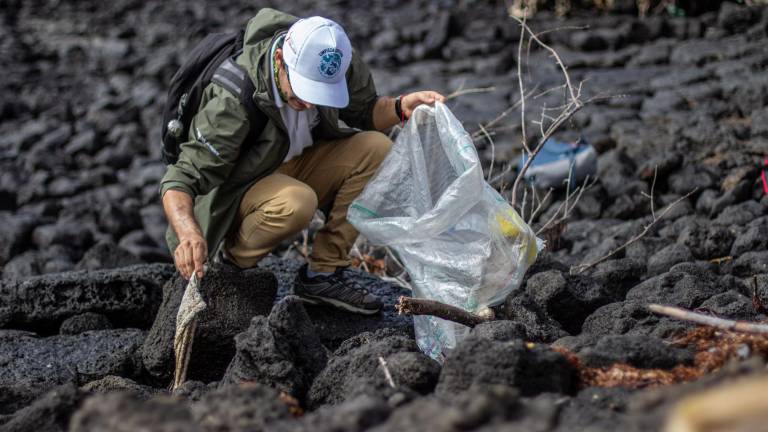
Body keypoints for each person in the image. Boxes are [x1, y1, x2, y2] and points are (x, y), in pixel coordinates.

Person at [160, 8, 445, 315]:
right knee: (297, 202)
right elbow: (180, 179)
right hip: (239, 192)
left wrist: (403, 106)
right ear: (280, 59)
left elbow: (367, 111)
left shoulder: (332, 60)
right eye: (303, 89)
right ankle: (228, 269)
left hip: (292, 165)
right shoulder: (232, 102)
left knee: (376, 148)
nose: (309, 102)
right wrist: (189, 234)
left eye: (320, 94)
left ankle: (322, 275)